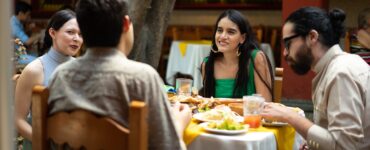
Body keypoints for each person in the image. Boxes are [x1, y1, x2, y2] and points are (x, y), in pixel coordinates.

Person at [47, 0, 191, 150]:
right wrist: (178, 124)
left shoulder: (60, 75)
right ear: (126, 24)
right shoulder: (143, 77)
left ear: (82, 28)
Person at [261, 7, 370, 150]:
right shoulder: (336, 66)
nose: (285, 53)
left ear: (312, 37)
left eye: (288, 44)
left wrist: (290, 116)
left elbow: (344, 146)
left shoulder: (341, 72)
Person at [14, 9, 83, 150]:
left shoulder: (82, 69)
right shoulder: (35, 70)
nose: (77, 38)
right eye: (70, 32)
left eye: (80, 34)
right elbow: (18, 119)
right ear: (52, 33)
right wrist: (45, 143)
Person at [201, 9, 274, 101]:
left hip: (251, 115)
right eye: (219, 30)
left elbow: (266, 104)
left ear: (242, 38)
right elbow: (207, 105)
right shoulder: (207, 64)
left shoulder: (256, 59)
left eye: (230, 32)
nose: (223, 36)